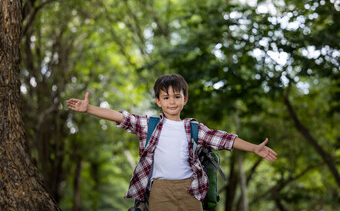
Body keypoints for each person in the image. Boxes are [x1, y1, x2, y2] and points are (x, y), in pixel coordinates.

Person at [67, 74, 277, 211]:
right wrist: (90, 109)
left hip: (190, 189)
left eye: (177, 96)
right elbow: (121, 117)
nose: (172, 101)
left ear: (185, 99)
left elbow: (223, 139)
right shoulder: (148, 125)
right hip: (160, 189)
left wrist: (254, 148)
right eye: (166, 98)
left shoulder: (194, 128)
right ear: (158, 101)